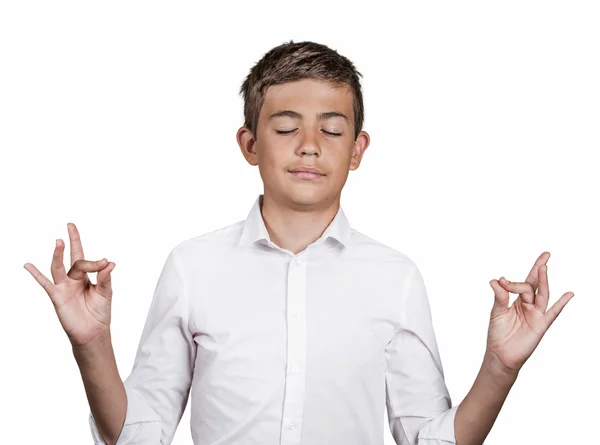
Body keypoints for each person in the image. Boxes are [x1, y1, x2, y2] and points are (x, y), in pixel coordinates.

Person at [24, 40, 575, 445]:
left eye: (331, 130)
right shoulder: (193, 267)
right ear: (249, 144)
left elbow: (427, 440)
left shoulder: (395, 277)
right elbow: (140, 437)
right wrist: (90, 345)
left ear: (357, 150)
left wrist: (501, 369)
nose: (309, 146)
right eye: (286, 128)